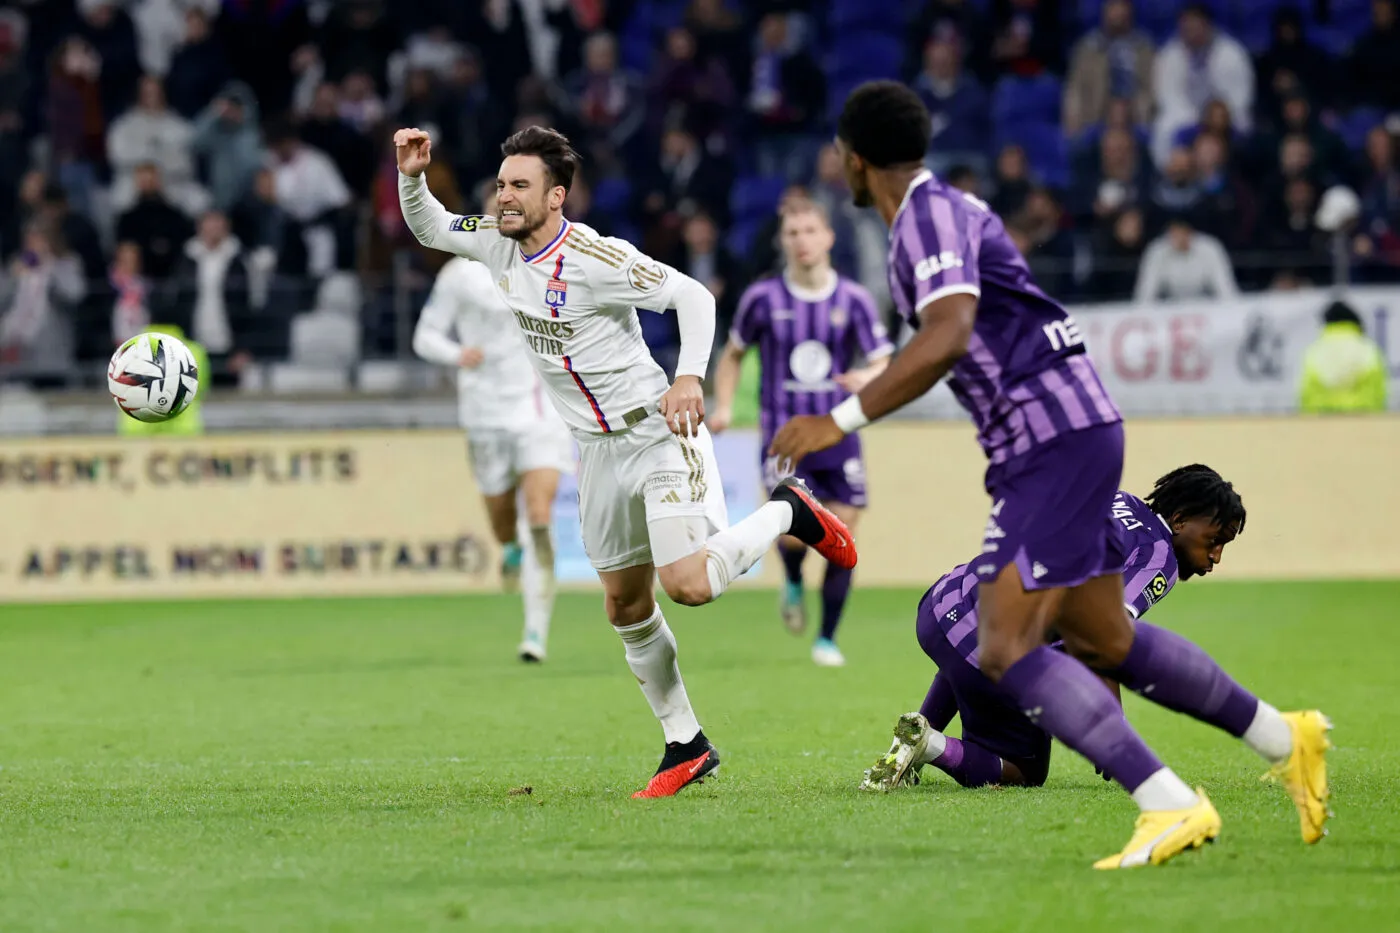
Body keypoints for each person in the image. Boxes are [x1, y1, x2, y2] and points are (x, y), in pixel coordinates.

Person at [769, 81, 1331, 869]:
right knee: (1106, 635)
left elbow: (950, 333)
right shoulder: (954, 211)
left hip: (1049, 440)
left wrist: (843, 418)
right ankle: (1285, 734)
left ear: (851, 159)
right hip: (1073, 428)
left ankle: (1167, 801)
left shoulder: (924, 221)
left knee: (1003, 644)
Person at [395, 124, 857, 798]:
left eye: (519, 185)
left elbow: (694, 297)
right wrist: (412, 176)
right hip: (597, 451)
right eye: (501, 184)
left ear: (557, 197)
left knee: (689, 585)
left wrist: (689, 376)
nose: (504, 196)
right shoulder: (496, 241)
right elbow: (432, 226)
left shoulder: (596, 257)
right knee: (624, 604)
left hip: (656, 433)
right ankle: (685, 742)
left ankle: (791, 508)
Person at [860, 465, 1243, 791]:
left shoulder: (1118, 499)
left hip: (940, 605)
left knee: (972, 649)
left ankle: (907, 746)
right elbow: (1101, 638)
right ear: (1178, 521)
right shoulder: (1158, 558)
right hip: (990, 645)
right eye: (1213, 541)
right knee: (1025, 768)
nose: (1216, 557)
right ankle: (929, 745)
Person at [710, 199, 892, 667]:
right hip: (785, 437)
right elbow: (732, 354)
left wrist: (867, 380)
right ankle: (792, 577)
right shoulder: (763, 298)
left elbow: (883, 363)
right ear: (783, 241)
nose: (802, 240)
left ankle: (827, 639)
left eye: (810, 230)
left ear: (828, 237)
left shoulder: (852, 299)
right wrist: (725, 405)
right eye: (793, 232)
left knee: (843, 537)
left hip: (839, 433)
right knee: (794, 534)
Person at [412, 183, 574, 663]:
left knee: (540, 518)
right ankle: (507, 549)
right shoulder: (462, 275)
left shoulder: (550, 263)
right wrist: (457, 354)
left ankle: (535, 633)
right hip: (484, 413)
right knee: (505, 523)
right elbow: (425, 336)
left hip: (540, 411)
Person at [1299, 300, 1389, 413]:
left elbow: (1307, 395)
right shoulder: (1368, 349)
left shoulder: (1315, 351)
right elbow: (1378, 392)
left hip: (1323, 422)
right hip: (1364, 421)